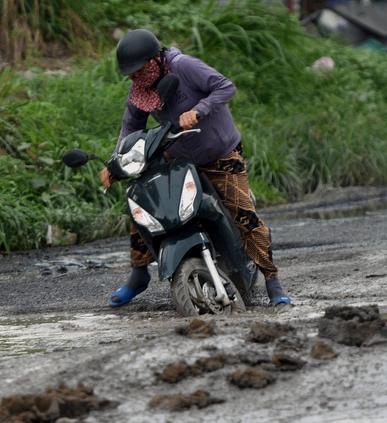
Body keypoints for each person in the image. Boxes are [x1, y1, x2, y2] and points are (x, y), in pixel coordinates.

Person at [100, 29, 291, 308]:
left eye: (137, 71)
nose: (133, 78)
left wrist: (200, 109)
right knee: (144, 200)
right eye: (130, 74)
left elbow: (226, 87)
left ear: (154, 61)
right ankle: (139, 274)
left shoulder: (184, 66)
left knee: (243, 213)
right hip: (176, 157)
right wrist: (115, 160)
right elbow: (131, 127)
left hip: (219, 153)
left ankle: (272, 280)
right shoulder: (141, 88)